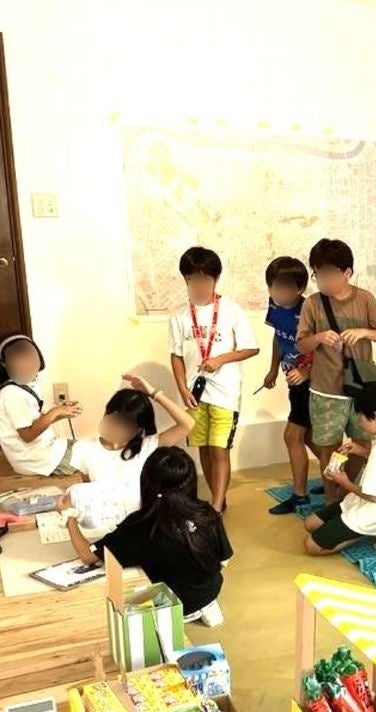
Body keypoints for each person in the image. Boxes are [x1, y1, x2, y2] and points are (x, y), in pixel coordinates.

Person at [65, 447, 233, 627]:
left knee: (121, 569)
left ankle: (170, 619)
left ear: (146, 482)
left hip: (170, 605)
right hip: (210, 591)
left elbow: (88, 555)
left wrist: (69, 519)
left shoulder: (139, 526)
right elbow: (224, 559)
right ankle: (207, 608)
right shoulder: (206, 512)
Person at [295, 238, 376, 503]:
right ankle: (332, 501)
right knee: (328, 448)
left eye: (328, 273)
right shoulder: (313, 304)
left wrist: (364, 332)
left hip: (361, 387)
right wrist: (319, 338)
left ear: (347, 272)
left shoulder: (365, 299)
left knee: (362, 445)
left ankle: (343, 492)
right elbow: (301, 344)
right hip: (326, 390)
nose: (322, 281)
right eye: (318, 274)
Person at [168, 246, 260, 513]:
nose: (198, 286)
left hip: (225, 392)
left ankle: (216, 505)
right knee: (204, 448)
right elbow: (176, 355)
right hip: (194, 394)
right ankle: (217, 498)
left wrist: (221, 359)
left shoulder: (231, 310)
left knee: (220, 448)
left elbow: (251, 348)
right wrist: (182, 388)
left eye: (204, 280)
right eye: (192, 280)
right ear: (185, 280)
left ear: (215, 279)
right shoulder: (179, 315)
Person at [64, 374, 195, 532]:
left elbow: (187, 424)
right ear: (106, 415)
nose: (117, 429)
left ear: (139, 429)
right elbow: (90, 491)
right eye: (115, 420)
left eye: (126, 425)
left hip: (140, 526)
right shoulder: (85, 448)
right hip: (104, 526)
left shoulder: (148, 446)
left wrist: (154, 393)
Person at [303, 383, 376, 555]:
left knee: (311, 546)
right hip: (372, 504)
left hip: (372, 513)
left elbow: (374, 497)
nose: (358, 420)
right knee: (310, 524)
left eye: (360, 415)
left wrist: (344, 482)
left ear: (375, 417)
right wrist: (361, 450)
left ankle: (369, 531)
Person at [261, 256, 315, 515]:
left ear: (300, 288)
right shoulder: (274, 306)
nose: (278, 292)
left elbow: (325, 348)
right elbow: (277, 337)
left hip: (311, 382)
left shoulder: (309, 310)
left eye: (285, 287)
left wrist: (305, 371)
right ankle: (337, 479)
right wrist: (273, 368)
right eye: (274, 286)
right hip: (292, 379)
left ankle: (300, 495)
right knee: (313, 438)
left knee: (292, 436)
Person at [0, 333, 80, 476]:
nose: (26, 365)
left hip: (47, 449)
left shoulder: (27, 386)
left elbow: (36, 422)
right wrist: (55, 412)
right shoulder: (13, 395)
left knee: (93, 447)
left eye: (30, 358)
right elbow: (28, 435)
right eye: (19, 362)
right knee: (94, 456)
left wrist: (62, 413)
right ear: (5, 364)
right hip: (38, 460)